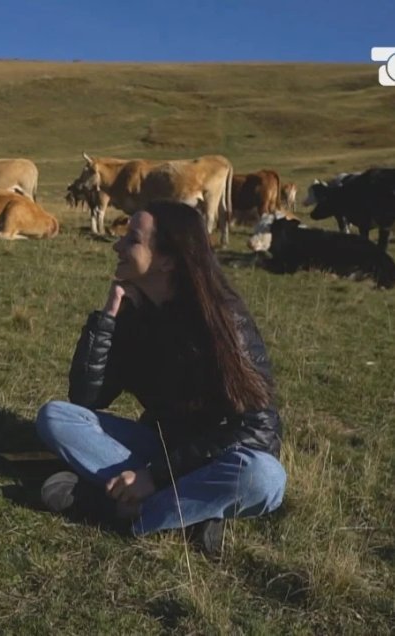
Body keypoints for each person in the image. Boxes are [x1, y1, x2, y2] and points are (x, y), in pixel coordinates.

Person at [35, 201, 286, 553]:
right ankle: (191, 512)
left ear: (168, 259)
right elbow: (88, 400)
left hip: (212, 459)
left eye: (132, 240)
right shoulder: (136, 312)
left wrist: (153, 476)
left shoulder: (224, 323)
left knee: (266, 478)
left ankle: (113, 508)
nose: (117, 246)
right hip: (158, 444)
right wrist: (107, 319)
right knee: (55, 416)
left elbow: (261, 429)